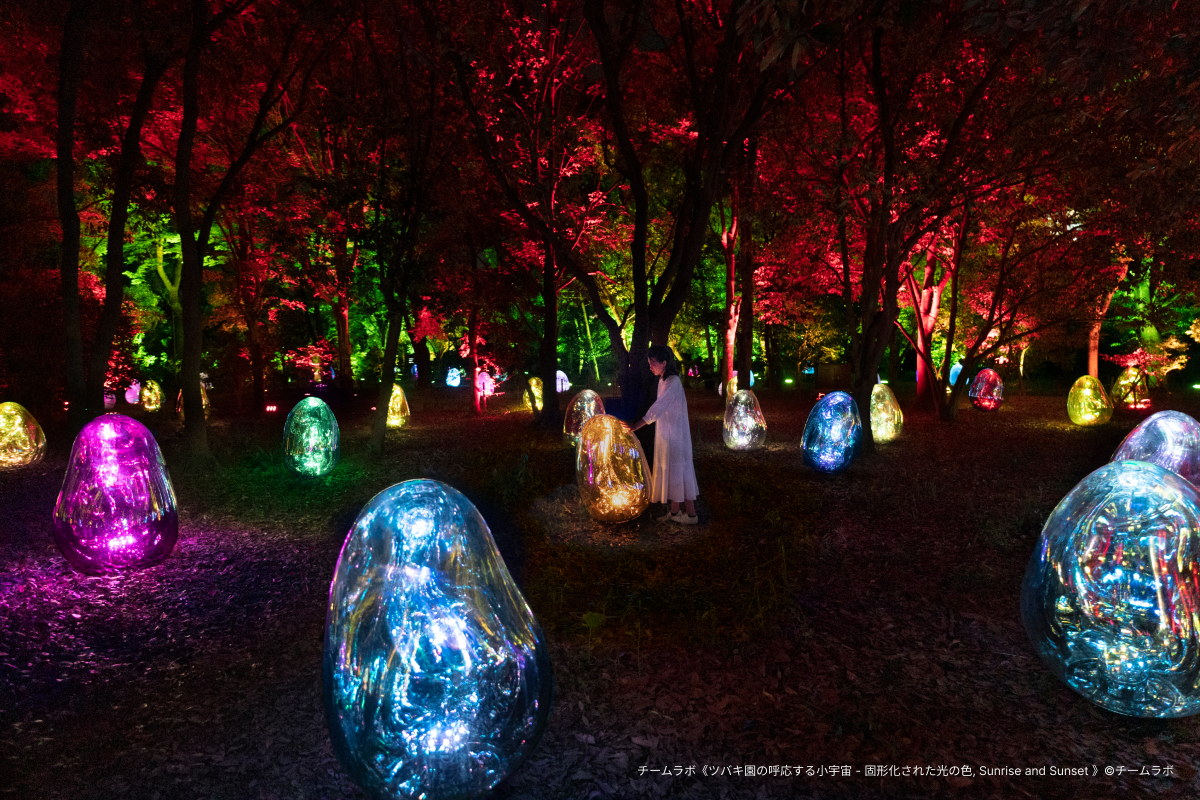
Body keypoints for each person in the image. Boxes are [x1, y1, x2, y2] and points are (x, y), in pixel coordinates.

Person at [629, 345, 699, 524]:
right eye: (649, 363)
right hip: (667, 434)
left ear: (664, 362)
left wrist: (638, 424)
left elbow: (659, 407)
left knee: (679, 470)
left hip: (676, 434)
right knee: (673, 470)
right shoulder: (663, 380)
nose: (650, 366)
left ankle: (691, 515)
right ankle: (675, 513)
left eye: (653, 363)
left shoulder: (673, 381)